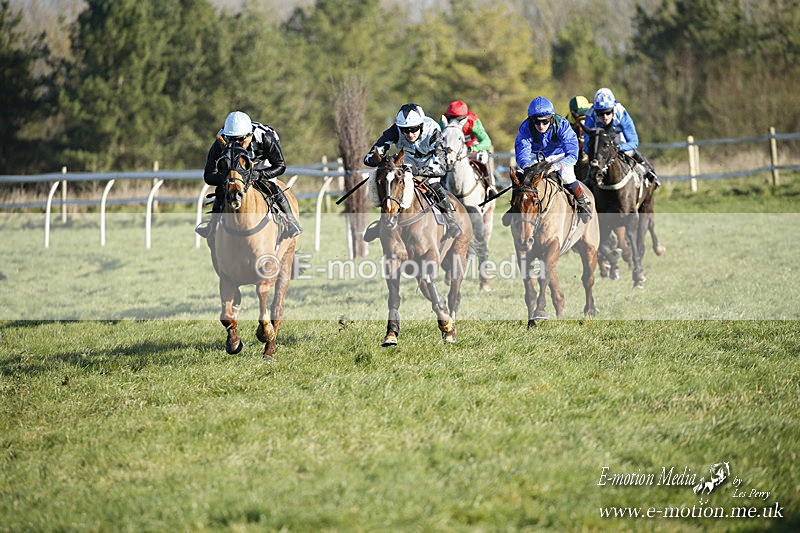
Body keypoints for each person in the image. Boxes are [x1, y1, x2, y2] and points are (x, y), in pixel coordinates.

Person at [362, 103, 462, 242]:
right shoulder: (395, 130)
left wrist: (417, 171)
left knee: (434, 184)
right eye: (405, 130)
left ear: (421, 125)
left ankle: (451, 220)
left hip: (431, 162)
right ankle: (382, 223)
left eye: (414, 129)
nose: (409, 134)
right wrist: (380, 160)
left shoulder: (433, 130)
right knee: (389, 184)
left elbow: (440, 167)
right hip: (408, 160)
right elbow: (368, 158)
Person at [196, 111, 302, 240]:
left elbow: (280, 166)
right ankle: (212, 225)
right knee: (223, 189)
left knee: (271, 185)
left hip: (261, 161)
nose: (236, 143)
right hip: (234, 167)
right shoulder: (221, 141)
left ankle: (290, 221)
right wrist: (228, 179)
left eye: (241, 139)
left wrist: (258, 175)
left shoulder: (265, 137)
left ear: (250, 135)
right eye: (231, 139)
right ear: (226, 136)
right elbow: (209, 176)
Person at [510, 96, 591, 223]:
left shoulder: (562, 124)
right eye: (537, 122)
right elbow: (522, 151)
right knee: (521, 179)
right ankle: (515, 208)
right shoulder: (525, 127)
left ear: (551, 119)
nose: (541, 126)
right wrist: (527, 167)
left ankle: (583, 203)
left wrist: (556, 166)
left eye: (545, 122)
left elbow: (572, 154)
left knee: (567, 176)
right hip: (534, 156)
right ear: (532, 120)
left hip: (559, 156)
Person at [583, 88, 660, 187]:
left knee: (630, 152)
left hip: (618, 137)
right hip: (601, 140)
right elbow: (586, 142)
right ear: (595, 111)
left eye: (608, 112)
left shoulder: (621, 113)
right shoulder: (590, 116)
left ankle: (649, 172)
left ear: (613, 110)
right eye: (600, 114)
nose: (605, 117)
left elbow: (634, 142)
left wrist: (619, 148)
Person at [441, 100, 493, 165]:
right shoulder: (443, 122)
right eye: (451, 118)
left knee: (483, 157)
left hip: (470, 149)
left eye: (458, 119)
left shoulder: (473, 122)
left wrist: (472, 148)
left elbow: (487, 141)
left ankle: (489, 175)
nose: (453, 122)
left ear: (465, 117)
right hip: (451, 151)